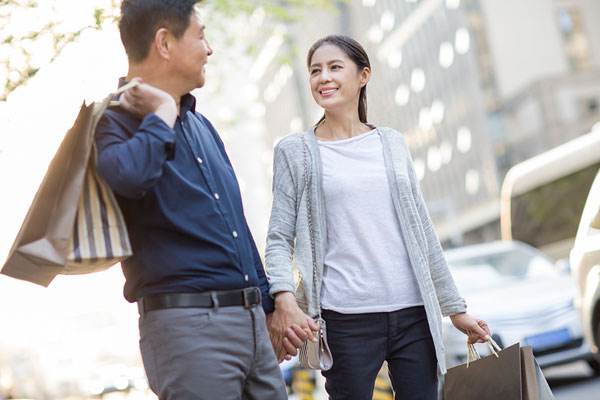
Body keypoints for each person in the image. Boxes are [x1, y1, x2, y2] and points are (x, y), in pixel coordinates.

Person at [265, 35, 491, 399]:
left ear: (363, 75)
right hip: (343, 319)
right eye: (315, 71)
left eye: (335, 67)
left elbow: (423, 233)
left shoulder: (391, 143)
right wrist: (283, 297)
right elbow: (278, 237)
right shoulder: (296, 152)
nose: (324, 78)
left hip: (413, 313)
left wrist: (455, 309)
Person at [94, 1, 287, 398]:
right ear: (165, 43)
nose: (209, 49)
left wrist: (269, 306)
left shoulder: (201, 126)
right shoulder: (111, 121)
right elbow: (129, 178)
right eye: (200, 35)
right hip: (189, 329)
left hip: (251, 325)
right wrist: (161, 112)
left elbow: (236, 227)